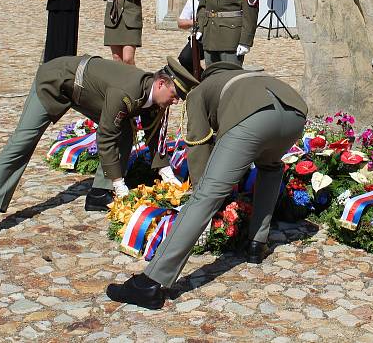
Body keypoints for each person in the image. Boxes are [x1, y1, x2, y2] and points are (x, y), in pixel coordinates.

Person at [106, 62, 308, 309]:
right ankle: (257, 244)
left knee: (205, 196)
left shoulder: (201, 90)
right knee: (270, 167)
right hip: (295, 115)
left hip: (252, 119)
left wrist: (203, 188)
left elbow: (198, 144)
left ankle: (151, 283)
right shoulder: (249, 77)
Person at [0, 56, 199, 248]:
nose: (176, 101)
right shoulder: (126, 92)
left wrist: (167, 173)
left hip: (89, 93)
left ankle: (99, 193)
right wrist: (120, 184)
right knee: (22, 143)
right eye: (175, 94)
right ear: (160, 83)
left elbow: (154, 135)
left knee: (124, 133)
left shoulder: (153, 97)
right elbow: (106, 136)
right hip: (57, 82)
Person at [177, 0, 202, 74]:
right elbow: (181, 23)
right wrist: (195, 22)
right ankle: (201, 78)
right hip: (199, 37)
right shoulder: (194, 0)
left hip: (215, 37)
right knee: (185, 58)